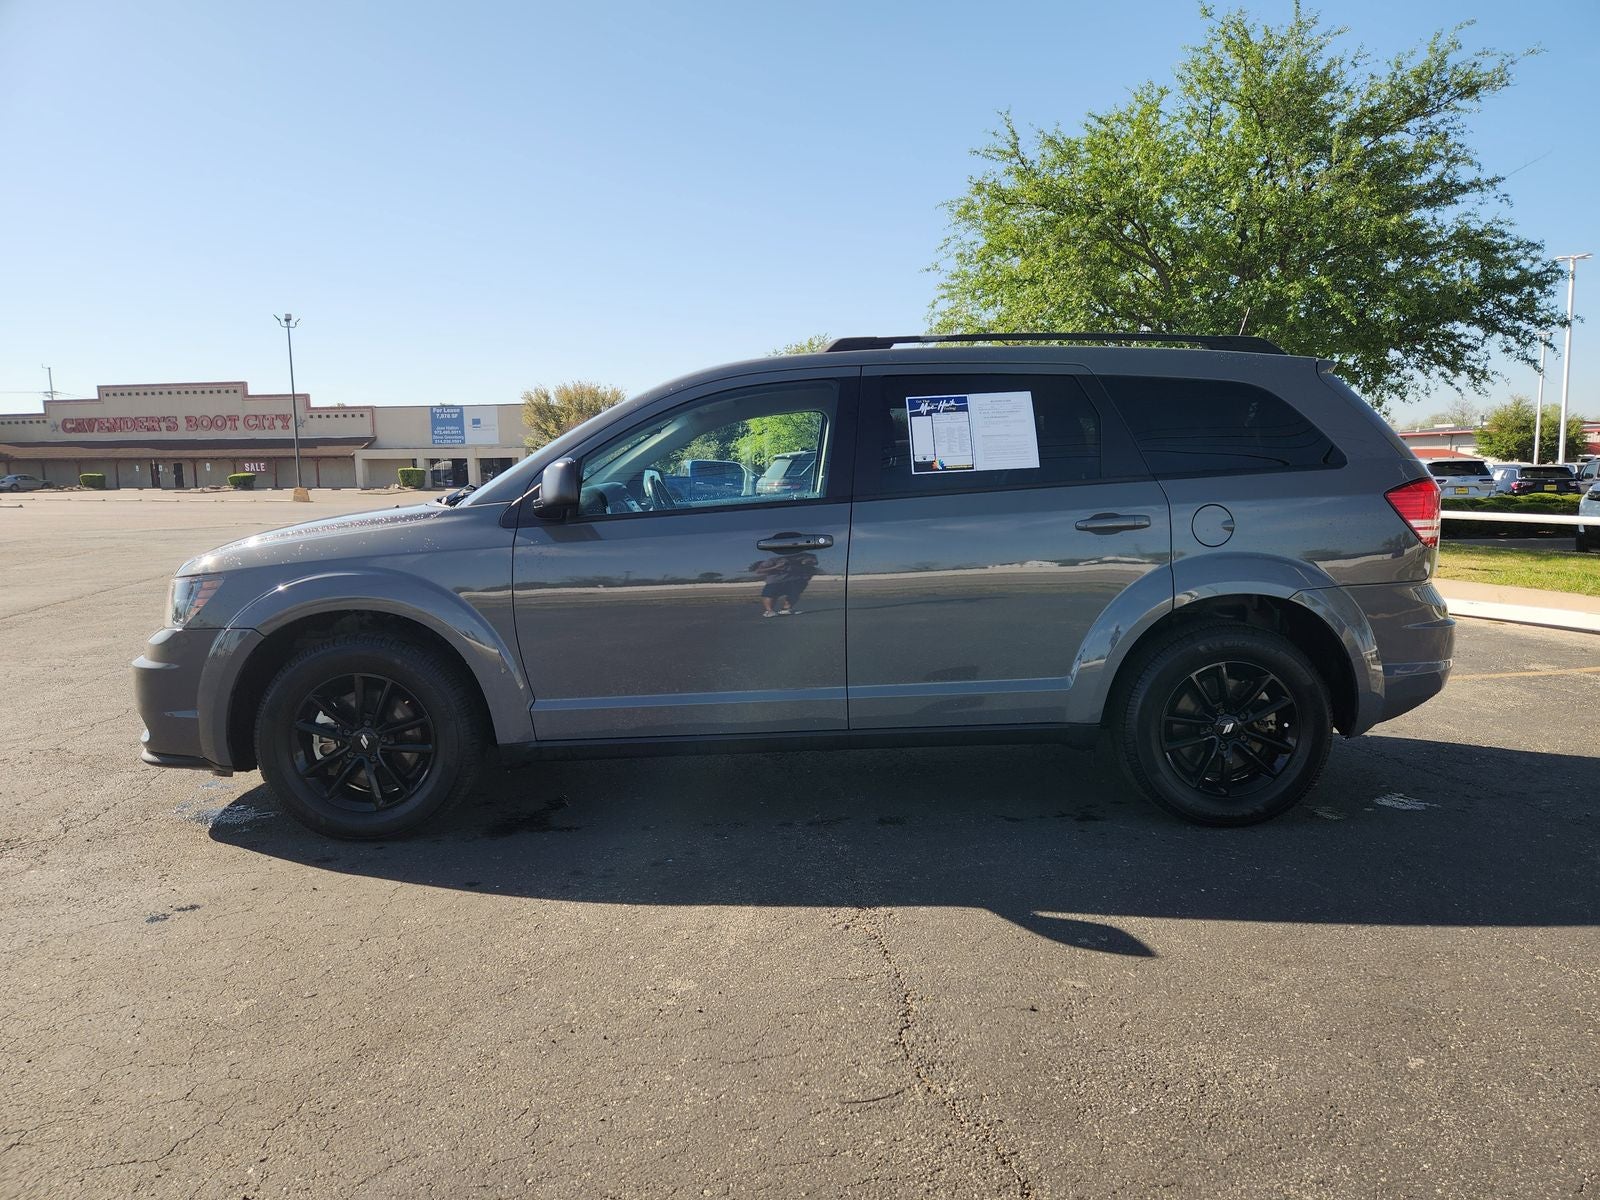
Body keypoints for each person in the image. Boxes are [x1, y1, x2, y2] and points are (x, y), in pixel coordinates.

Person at [749, 551, 819, 617]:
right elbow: (759, 571)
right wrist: (776, 567)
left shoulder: (801, 557)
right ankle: (769, 611)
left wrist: (807, 563)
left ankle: (786, 609)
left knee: (794, 594)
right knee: (770, 595)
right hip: (776, 581)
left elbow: (814, 562)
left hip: (793, 580)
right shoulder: (773, 560)